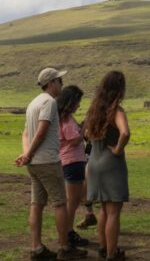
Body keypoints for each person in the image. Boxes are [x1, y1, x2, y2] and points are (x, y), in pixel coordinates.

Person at [15, 68, 87, 260]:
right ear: (51, 83)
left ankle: (37, 247)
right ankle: (65, 247)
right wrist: (28, 153)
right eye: (59, 81)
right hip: (47, 161)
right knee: (60, 204)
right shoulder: (49, 102)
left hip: (35, 163)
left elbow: (26, 133)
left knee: (36, 204)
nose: (61, 85)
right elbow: (41, 131)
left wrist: (26, 154)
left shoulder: (33, 103)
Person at [83, 71, 131, 260]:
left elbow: (85, 134)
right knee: (113, 213)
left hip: (93, 162)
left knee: (103, 209)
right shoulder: (116, 111)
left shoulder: (94, 110)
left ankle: (103, 248)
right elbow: (125, 133)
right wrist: (118, 149)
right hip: (110, 163)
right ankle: (112, 253)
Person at [57, 85, 90, 249]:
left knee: (73, 199)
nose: (79, 105)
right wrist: (85, 126)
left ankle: (67, 232)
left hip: (70, 161)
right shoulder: (67, 119)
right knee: (72, 200)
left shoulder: (63, 118)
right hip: (72, 161)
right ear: (71, 101)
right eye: (77, 101)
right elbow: (75, 140)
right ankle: (67, 233)